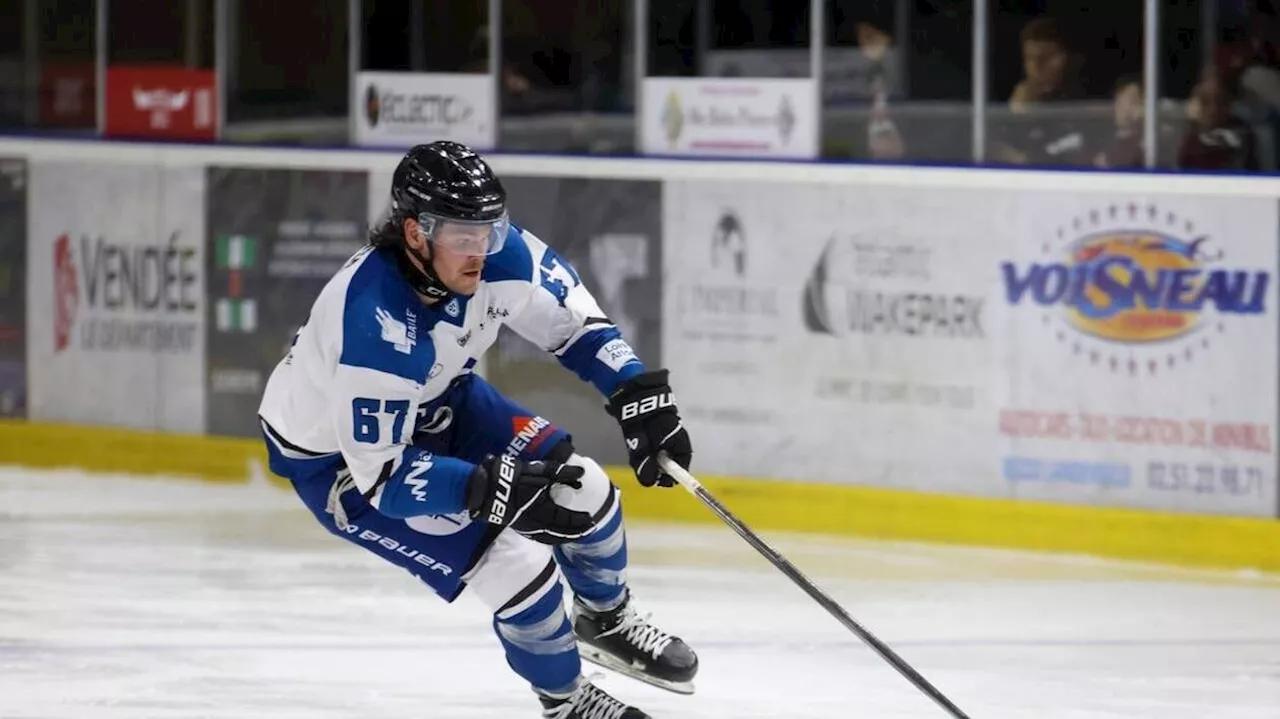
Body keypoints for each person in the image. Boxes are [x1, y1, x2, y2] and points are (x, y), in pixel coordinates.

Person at [256, 141, 698, 719]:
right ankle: (565, 702)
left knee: (583, 488)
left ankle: (607, 622)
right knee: (519, 568)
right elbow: (384, 478)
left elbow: (579, 329)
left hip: (441, 401)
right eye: (464, 237)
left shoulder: (496, 252)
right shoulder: (373, 322)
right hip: (341, 466)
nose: (483, 251)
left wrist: (639, 396)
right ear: (416, 234)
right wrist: (489, 491)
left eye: (491, 229)